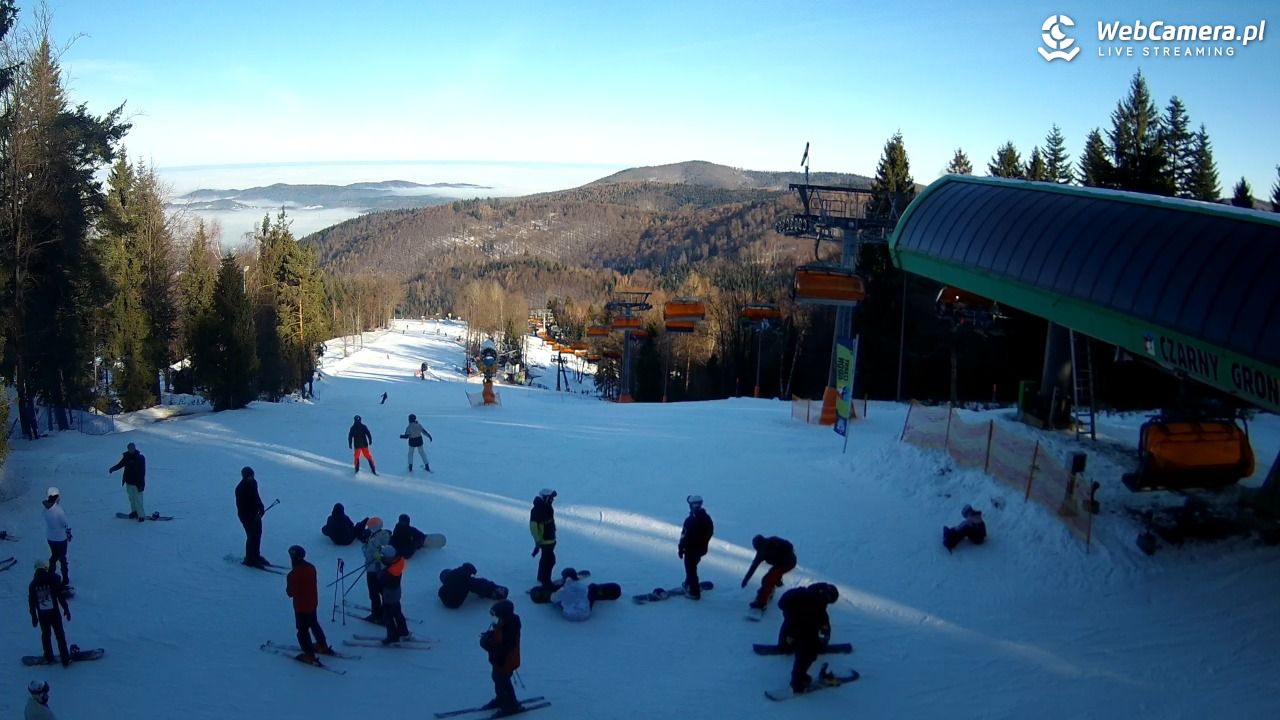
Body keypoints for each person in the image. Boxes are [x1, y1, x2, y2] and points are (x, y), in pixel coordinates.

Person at [777, 583, 840, 693]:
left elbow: (822, 615)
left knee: (810, 644)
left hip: (799, 611)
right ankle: (797, 683)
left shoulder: (820, 596)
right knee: (805, 653)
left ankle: (792, 647)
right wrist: (790, 636)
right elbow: (794, 621)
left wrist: (825, 629)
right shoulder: (807, 604)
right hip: (790, 608)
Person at [285, 545, 332, 663]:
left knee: (302, 631)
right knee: (314, 624)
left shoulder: (293, 574)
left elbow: (290, 593)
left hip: (301, 607)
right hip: (312, 603)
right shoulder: (311, 567)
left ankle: (309, 654)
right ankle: (323, 645)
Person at [479, 599, 522, 714]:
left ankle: (511, 705)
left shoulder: (510, 627)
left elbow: (504, 647)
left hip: (506, 660)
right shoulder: (504, 622)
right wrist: (490, 635)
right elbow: (498, 634)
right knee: (497, 678)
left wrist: (487, 645)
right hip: (499, 660)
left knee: (503, 681)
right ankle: (501, 698)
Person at [27, 560, 72, 667]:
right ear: (45, 568)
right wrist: (66, 609)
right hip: (54, 613)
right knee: (60, 635)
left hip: (42, 615)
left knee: (46, 635)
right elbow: (60, 596)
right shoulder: (52, 579)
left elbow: (31, 602)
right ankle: (65, 659)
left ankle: (48, 657)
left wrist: (34, 616)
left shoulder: (32, 585)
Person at [741, 534, 797, 611]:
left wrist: (746, 580)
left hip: (787, 563)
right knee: (770, 577)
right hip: (782, 563)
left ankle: (761, 603)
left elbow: (754, 566)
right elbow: (754, 565)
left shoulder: (767, 546)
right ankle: (770, 589)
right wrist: (746, 579)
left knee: (767, 580)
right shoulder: (766, 545)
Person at [678, 494, 714, 600]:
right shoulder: (707, 518)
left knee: (691, 569)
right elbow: (710, 532)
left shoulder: (689, 521)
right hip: (701, 549)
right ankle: (689, 582)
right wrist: (703, 543)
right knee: (692, 566)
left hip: (691, 550)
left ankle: (694, 591)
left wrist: (681, 548)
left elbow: (684, 536)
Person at [360, 517, 392, 622]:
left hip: (373, 570)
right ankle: (386, 612)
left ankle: (377, 615)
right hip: (384, 569)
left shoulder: (374, 539)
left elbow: (368, 555)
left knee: (374, 594)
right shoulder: (385, 535)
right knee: (383, 592)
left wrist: (364, 544)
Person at [437, 563, 508, 609]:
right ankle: (493, 591)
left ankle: (493, 591)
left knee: (466, 582)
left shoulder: (459, 578)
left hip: (452, 600)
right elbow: (476, 584)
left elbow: (476, 584)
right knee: (467, 582)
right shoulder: (462, 580)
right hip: (453, 601)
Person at [235, 467, 268, 568]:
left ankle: (256, 555)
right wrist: (251, 516)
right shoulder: (240, 489)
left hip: (255, 515)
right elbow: (242, 507)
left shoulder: (254, 483)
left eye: (252, 476)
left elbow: (256, 497)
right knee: (251, 536)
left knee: (258, 535)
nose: (251, 478)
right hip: (246, 516)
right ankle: (249, 559)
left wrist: (261, 507)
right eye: (249, 476)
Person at [378, 544, 409, 644]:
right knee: (397, 612)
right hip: (396, 592)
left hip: (389, 594)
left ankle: (392, 636)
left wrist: (379, 565)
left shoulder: (389, 572)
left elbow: (380, 578)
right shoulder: (399, 562)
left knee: (388, 616)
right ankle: (403, 631)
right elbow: (388, 562)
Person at [107, 442, 146, 521]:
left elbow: (143, 472)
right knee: (131, 499)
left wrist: (142, 483)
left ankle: (141, 515)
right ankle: (134, 512)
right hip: (129, 482)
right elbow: (120, 464)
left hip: (137, 483)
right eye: (129, 449)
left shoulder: (140, 458)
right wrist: (113, 469)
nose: (130, 450)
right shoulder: (126, 457)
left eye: (132, 448)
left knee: (138, 500)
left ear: (134, 448)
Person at [42, 488, 71, 586]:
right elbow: (65, 523)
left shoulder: (45, 508)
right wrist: (68, 533)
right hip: (60, 538)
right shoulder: (58, 510)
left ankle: (50, 575)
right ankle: (65, 579)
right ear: (57, 497)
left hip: (50, 538)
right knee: (62, 559)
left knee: (54, 556)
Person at [529, 488, 557, 587]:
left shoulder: (547, 506)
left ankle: (542, 577)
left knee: (547, 559)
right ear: (545, 498)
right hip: (545, 540)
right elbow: (533, 527)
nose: (552, 500)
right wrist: (538, 540)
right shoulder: (537, 509)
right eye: (550, 498)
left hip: (550, 538)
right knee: (549, 560)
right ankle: (546, 581)